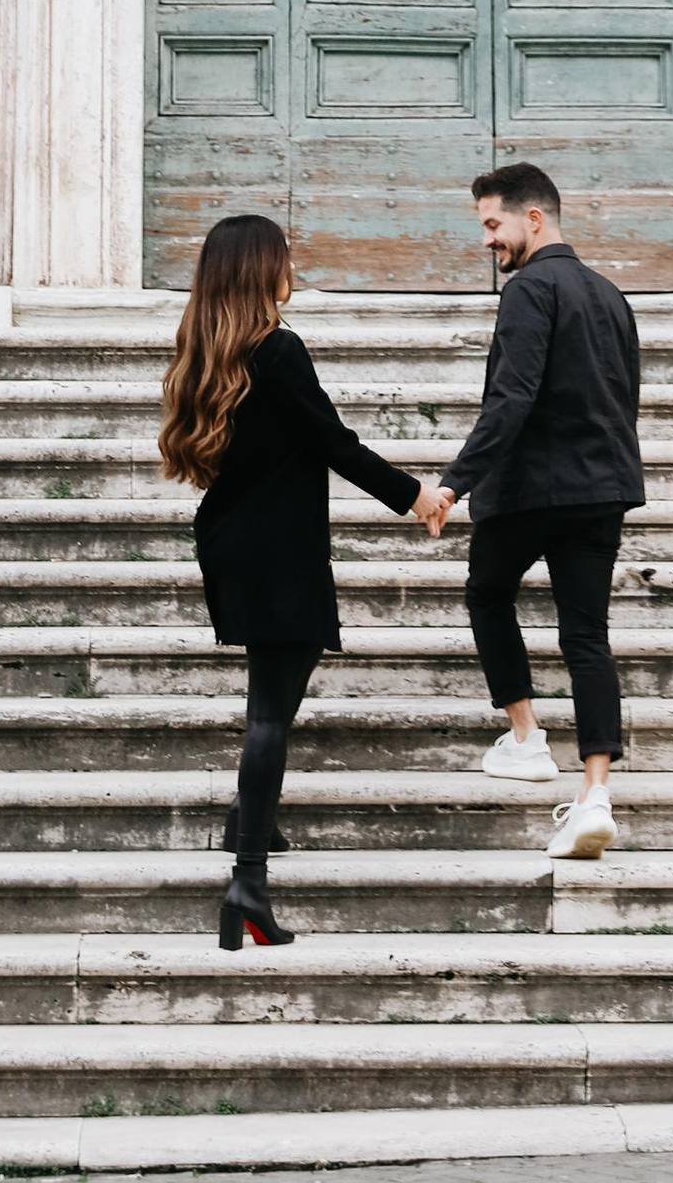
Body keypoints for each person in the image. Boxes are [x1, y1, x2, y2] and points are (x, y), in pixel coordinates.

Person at [158, 210, 423, 951]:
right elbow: (334, 443)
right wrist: (415, 495)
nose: (292, 268)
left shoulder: (210, 351)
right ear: (259, 270)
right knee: (273, 709)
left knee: (269, 697)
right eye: (283, 257)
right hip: (279, 550)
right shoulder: (279, 350)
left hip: (231, 541)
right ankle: (248, 879)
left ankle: (249, 821)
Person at [413, 161, 644, 860]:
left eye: (493, 224)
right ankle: (595, 793)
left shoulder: (528, 290)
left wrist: (454, 482)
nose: (488, 240)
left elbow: (509, 399)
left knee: (487, 595)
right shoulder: (609, 295)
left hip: (530, 490)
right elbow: (625, 393)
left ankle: (526, 738)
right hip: (603, 488)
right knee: (586, 639)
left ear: (532, 219)